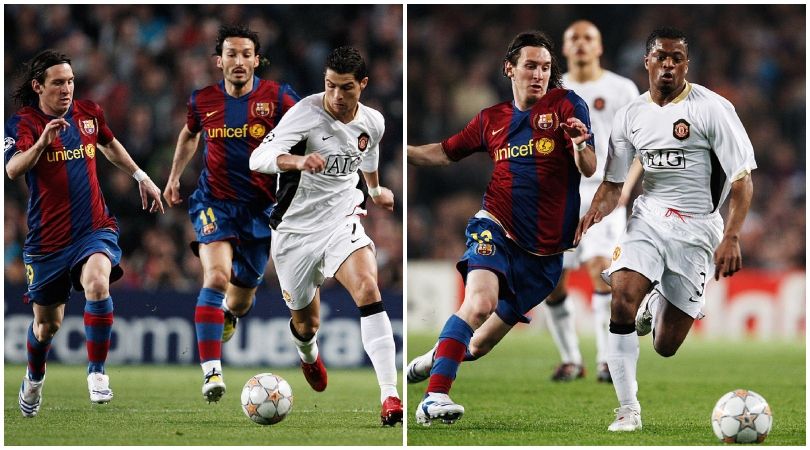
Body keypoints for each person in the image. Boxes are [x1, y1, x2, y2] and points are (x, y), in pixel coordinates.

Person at [407, 30, 596, 426]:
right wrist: (397, 150)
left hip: (545, 258)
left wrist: (579, 144)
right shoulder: (490, 120)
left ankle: (432, 359)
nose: (539, 74)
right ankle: (433, 398)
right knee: (479, 303)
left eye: (546, 67)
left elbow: (589, 167)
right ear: (510, 68)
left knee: (478, 344)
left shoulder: (565, 105)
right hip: (496, 227)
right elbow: (444, 152)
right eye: (530, 66)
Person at [576, 27, 756, 432]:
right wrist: (593, 215)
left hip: (699, 231)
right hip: (650, 218)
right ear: (647, 62)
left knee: (665, 346)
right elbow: (614, 183)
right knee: (620, 297)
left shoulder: (713, 109)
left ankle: (657, 301)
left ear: (686, 65)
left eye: (677, 58)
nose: (669, 65)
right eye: (662, 57)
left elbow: (743, 181)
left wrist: (731, 236)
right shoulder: (631, 116)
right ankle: (628, 409)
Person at [249, 46, 403, 426]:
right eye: (330, 85)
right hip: (294, 233)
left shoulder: (374, 122)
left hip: (341, 219)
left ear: (363, 85)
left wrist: (375, 189)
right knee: (307, 324)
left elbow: (366, 154)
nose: (336, 96)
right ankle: (307, 353)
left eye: (345, 88)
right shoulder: (305, 114)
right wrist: (298, 160)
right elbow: (258, 159)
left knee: (368, 288)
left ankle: (390, 397)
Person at [5, 49, 164, 417]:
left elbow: (109, 144)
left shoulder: (89, 113)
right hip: (47, 243)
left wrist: (141, 177)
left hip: (94, 228)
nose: (66, 89)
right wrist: (42, 143)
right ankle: (34, 378)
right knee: (46, 327)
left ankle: (96, 373)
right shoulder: (23, 124)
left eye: (70, 81)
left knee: (97, 282)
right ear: (38, 86)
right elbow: (13, 169)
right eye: (58, 82)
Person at [162, 24, 300, 403]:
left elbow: (309, 128)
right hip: (214, 203)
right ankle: (211, 372)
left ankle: (228, 314)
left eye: (245, 54)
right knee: (217, 275)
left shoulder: (279, 97)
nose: (238, 62)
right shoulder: (202, 100)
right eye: (231, 54)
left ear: (257, 59)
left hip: (261, 210)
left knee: (240, 301)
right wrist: (174, 177)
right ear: (218, 60)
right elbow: (190, 134)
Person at [542, 20, 642, 383]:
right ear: (564, 50)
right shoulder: (554, 89)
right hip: (561, 193)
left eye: (588, 38)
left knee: (602, 269)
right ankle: (571, 359)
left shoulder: (621, 88)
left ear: (599, 47)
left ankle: (604, 360)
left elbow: (639, 145)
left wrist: (625, 189)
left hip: (605, 189)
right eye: (574, 39)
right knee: (553, 279)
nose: (581, 44)